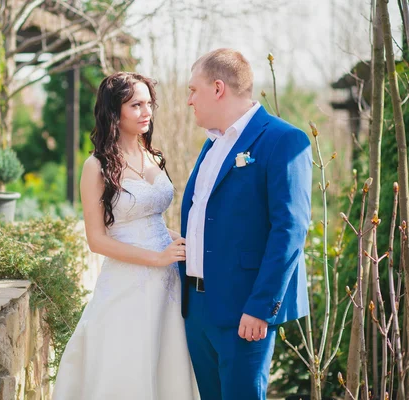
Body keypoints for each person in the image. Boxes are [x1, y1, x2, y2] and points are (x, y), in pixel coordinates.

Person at [52, 72, 199, 400]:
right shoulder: (97, 166)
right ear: (113, 112)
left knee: (167, 366)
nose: (146, 111)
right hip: (127, 283)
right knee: (127, 368)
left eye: (149, 104)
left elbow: (151, 221)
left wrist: (180, 242)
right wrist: (157, 258)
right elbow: (97, 240)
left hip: (169, 283)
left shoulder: (154, 156)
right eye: (136, 105)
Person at [180, 48, 312, 400]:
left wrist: (260, 308)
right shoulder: (213, 143)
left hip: (244, 310)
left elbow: (290, 230)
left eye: (194, 90)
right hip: (196, 308)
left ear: (218, 88)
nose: (189, 100)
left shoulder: (284, 140)